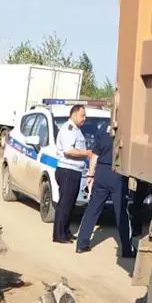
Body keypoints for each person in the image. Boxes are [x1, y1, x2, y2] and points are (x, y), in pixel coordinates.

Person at [75, 124, 136, 257]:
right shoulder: (128, 129)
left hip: (101, 173)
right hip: (118, 174)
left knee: (92, 210)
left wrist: (90, 175)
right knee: (121, 213)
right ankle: (127, 249)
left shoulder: (103, 129)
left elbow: (95, 156)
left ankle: (81, 244)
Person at [53, 104, 94, 244]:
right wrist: (87, 153)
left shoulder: (77, 130)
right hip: (67, 171)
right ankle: (58, 234)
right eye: (83, 115)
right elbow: (68, 151)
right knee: (64, 204)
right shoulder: (68, 129)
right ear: (75, 115)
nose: (84, 118)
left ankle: (65, 231)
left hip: (74, 171)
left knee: (70, 205)